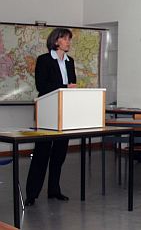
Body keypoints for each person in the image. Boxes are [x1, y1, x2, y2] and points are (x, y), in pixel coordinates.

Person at [25, 28, 77, 206]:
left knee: (59, 155)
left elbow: (72, 85)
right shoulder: (44, 60)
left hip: (64, 114)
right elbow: (42, 85)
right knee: (41, 154)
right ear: (56, 41)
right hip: (48, 113)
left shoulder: (70, 62)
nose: (68, 42)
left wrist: (71, 88)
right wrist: (65, 86)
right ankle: (32, 194)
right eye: (65, 39)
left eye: (69, 39)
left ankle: (54, 190)